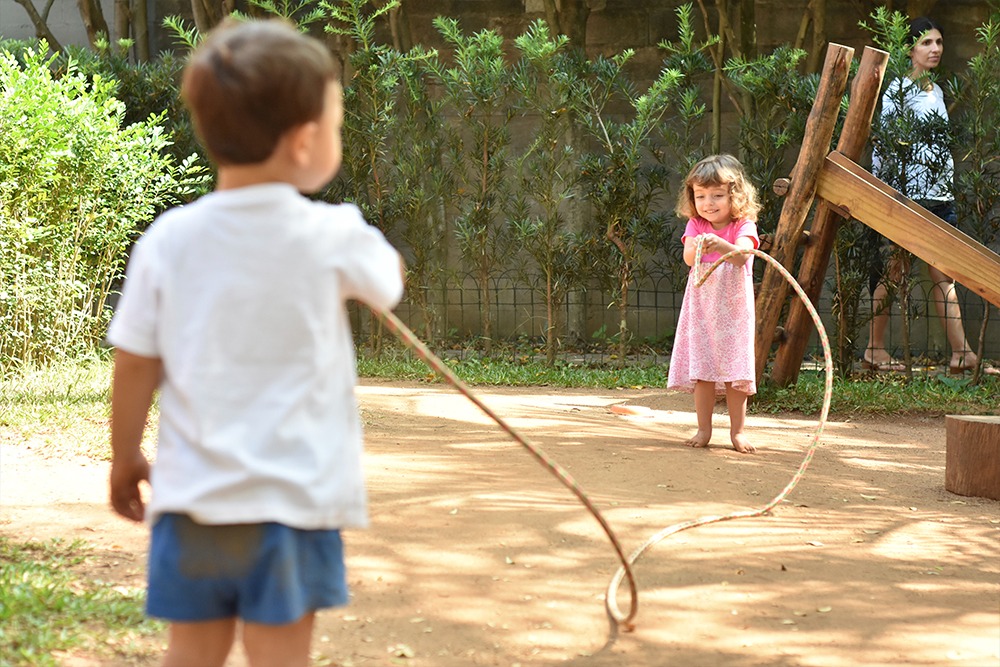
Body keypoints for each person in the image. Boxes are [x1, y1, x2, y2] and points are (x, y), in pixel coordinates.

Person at [107, 19, 405, 667]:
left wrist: (125, 456)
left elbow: (134, 360)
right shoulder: (332, 232)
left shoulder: (169, 238)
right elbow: (388, 285)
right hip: (292, 509)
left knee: (189, 655)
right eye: (337, 126)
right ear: (304, 142)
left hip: (193, 505)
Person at [866, 16, 986, 375]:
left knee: (943, 276)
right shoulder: (897, 91)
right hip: (906, 199)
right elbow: (883, 147)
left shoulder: (937, 90)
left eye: (938, 42)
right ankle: (874, 349)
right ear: (909, 49)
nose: (934, 49)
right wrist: (888, 197)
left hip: (940, 197)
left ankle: (961, 353)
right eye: (926, 43)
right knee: (893, 275)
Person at [668, 154, 761, 454]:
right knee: (703, 369)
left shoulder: (743, 226)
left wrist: (722, 245)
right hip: (703, 311)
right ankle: (704, 429)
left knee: (736, 372)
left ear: (735, 195)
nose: (708, 203)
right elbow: (687, 258)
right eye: (701, 196)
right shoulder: (695, 225)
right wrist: (696, 245)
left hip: (733, 311)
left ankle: (738, 432)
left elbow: (743, 256)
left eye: (717, 195)